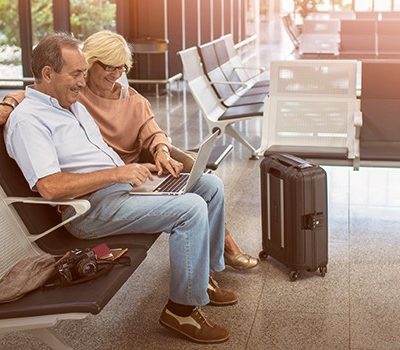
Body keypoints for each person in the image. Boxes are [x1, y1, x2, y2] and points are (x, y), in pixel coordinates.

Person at [4, 33, 235, 344]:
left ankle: (203, 276)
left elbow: (132, 128)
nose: (82, 81)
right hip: (88, 212)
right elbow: (49, 187)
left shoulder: (69, 104)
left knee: (208, 185)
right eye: (77, 73)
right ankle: (181, 310)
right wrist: (117, 174)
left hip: (120, 192)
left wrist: (146, 167)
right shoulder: (29, 122)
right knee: (190, 209)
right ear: (48, 74)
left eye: (84, 72)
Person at [0, 30, 258, 270]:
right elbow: (36, 95)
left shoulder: (105, 101)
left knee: (210, 186)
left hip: (126, 178)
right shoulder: (75, 97)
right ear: (92, 64)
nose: (115, 74)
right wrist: (11, 103)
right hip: (101, 194)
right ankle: (187, 301)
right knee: (191, 206)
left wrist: (160, 152)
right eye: (108, 66)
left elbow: (153, 131)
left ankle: (207, 269)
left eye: (121, 67)